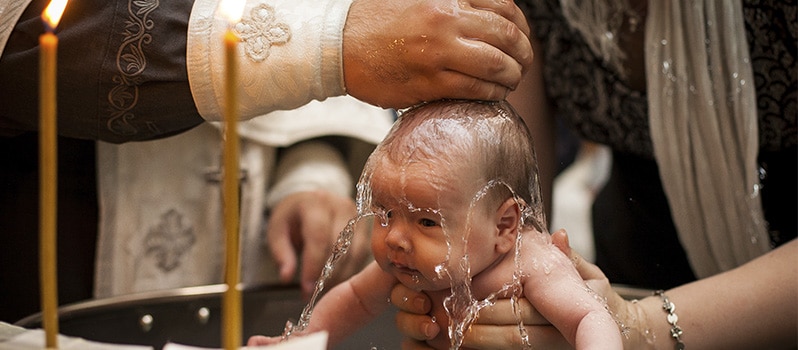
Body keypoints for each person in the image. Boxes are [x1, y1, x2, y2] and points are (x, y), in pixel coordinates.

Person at [0, 0, 534, 322]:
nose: (395, 235)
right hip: (50, 213)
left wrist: (312, 167)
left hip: (253, 242)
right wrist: (333, 44)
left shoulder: (526, 260)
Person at [391, 0, 797, 349]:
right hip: (635, 256)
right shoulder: (520, 9)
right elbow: (492, 181)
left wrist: (643, 328)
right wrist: (459, 301)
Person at [247, 100, 623, 350]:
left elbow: (589, 316)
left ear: (505, 226)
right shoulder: (406, 262)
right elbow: (354, 300)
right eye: (384, 213)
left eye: (427, 220)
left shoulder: (532, 264)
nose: (394, 237)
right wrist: (301, 339)